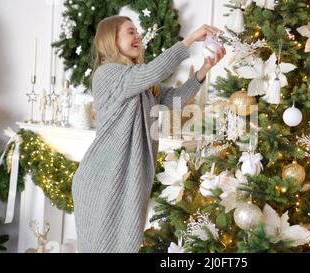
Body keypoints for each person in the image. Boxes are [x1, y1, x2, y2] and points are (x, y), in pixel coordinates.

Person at [71, 15, 226, 253]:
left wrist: (204, 69)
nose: (137, 36)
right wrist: (190, 39)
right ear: (112, 40)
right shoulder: (107, 74)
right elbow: (153, 71)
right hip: (102, 178)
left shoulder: (141, 83)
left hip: (128, 177)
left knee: (127, 244)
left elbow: (175, 100)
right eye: (130, 32)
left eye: (137, 32)